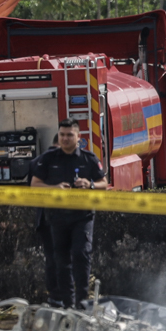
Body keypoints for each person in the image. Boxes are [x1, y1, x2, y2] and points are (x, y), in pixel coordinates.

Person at [30, 119, 107, 309]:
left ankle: (82, 302)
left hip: (83, 216)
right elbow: (35, 184)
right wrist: (54, 188)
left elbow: (103, 184)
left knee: (81, 254)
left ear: (78, 137)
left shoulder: (88, 158)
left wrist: (88, 184)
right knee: (61, 261)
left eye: (69, 135)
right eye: (62, 134)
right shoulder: (48, 158)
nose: (65, 138)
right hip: (57, 217)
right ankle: (67, 304)